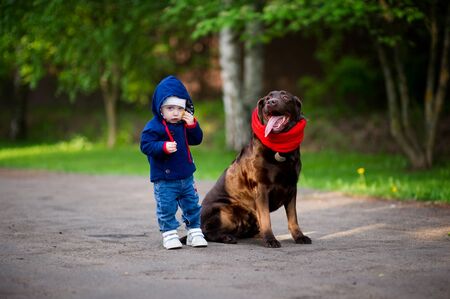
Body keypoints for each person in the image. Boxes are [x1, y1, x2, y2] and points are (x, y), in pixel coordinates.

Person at [140, 75, 208, 250]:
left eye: (180, 108)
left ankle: (194, 231)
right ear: (160, 108)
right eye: (170, 108)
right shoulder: (154, 126)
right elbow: (145, 145)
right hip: (164, 178)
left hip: (186, 176)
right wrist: (162, 146)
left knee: (192, 205)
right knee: (167, 207)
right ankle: (169, 234)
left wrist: (193, 124)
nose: (176, 112)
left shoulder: (185, 124)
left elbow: (197, 139)